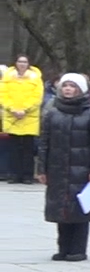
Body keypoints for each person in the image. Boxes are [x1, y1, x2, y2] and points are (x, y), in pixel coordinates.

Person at [36, 73, 90, 261]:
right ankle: (63, 248)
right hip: (58, 168)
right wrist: (41, 169)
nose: (68, 89)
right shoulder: (52, 112)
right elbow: (44, 143)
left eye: (72, 86)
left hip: (83, 170)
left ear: (80, 89)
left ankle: (78, 249)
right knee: (61, 209)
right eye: (65, 85)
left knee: (81, 209)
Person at [1, 54, 44, 183]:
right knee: (13, 149)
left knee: (27, 149)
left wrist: (25, 109)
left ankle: (27, 176)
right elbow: (3, 95)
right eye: (20, 61)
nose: (22, 64)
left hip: (29, 117)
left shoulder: (36, 78)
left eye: (25, 62)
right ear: (16, 63)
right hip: (12, 116)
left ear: (28, 64)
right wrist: (11, 108)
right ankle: (13, 175)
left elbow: (37, 97)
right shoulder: (7, 78)